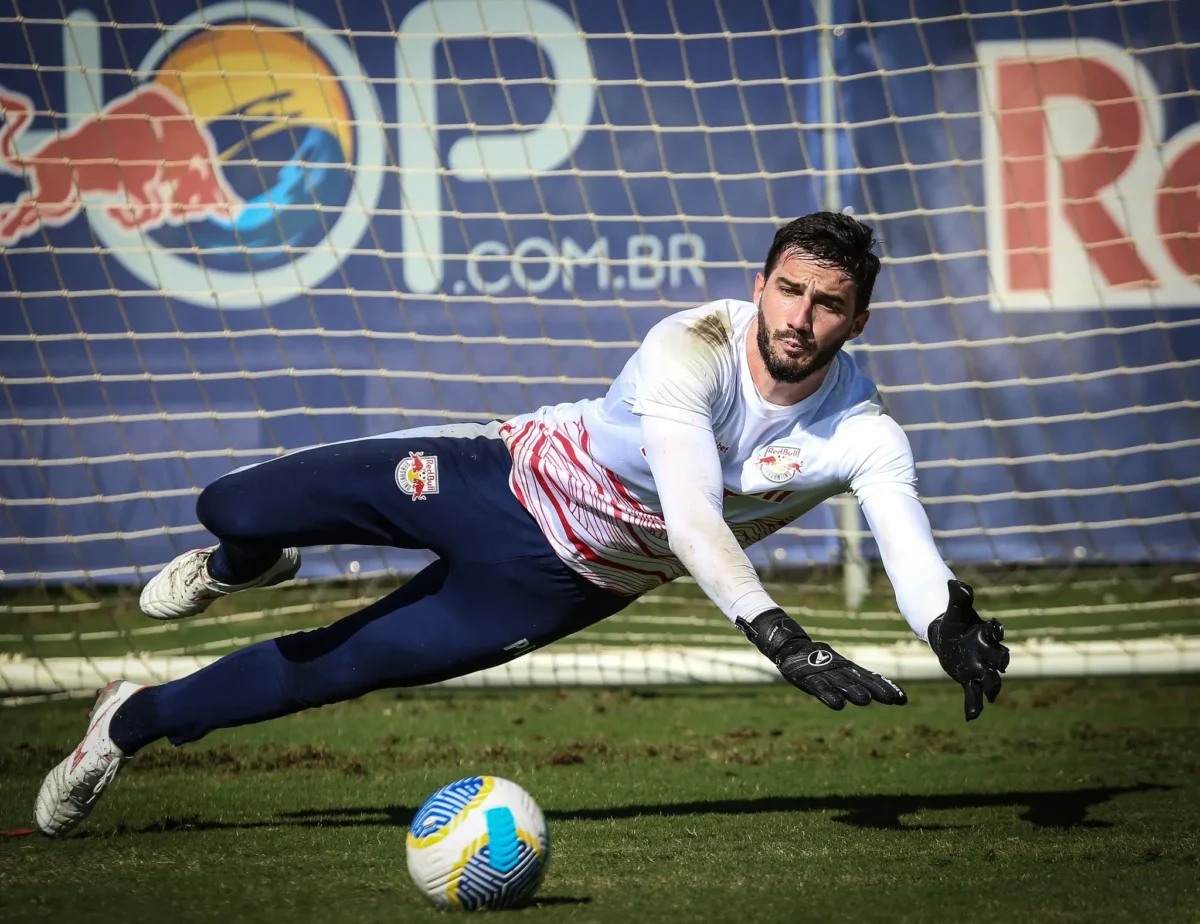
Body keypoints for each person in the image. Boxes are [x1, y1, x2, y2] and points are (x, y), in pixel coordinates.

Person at [34, 212, 1009, 837]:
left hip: (560, 582)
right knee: (231, 506)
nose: (801, 317)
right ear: (759, 287)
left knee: (342, 664)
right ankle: (247, 564)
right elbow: (692, 513)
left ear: (859, 320)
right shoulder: (691, 345)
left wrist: (946, 624)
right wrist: (778, 633)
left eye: (828, 303)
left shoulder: (864, 432)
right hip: (493, 477)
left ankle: (125, 721)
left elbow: (905, 538)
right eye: (788, 290)